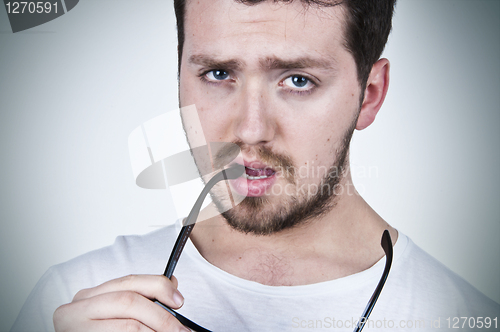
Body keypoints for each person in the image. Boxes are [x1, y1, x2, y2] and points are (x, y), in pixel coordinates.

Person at [11, 0, 499, 331]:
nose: (248, 129)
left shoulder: (457, 317)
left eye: (298, 80)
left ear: (368, 96)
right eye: (218, 73)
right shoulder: (72, 301)